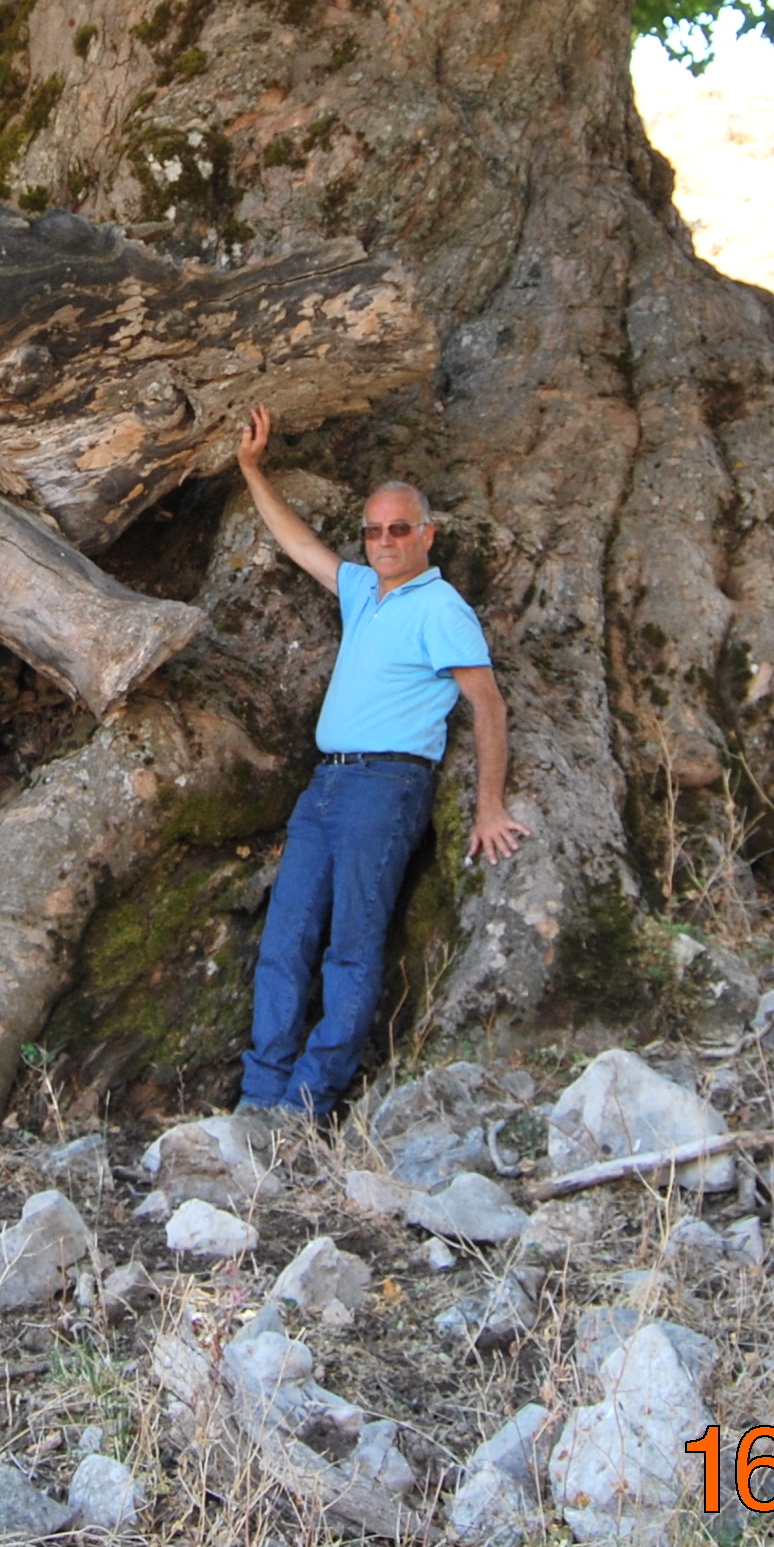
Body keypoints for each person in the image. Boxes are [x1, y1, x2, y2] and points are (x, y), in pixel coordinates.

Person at [230, 403, 517, 1117]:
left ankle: (307, 1104)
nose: (385, 541)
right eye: (374, 531)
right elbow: (299, 543)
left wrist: (489, 807)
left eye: (399, 529)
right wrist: (250, 469)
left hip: (386, 788)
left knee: (351, 950)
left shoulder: (440, 607)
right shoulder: (363, 591)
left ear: (427, 534)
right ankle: (259, 1097)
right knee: (285, 940)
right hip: (326, 785)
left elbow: (487, 705)